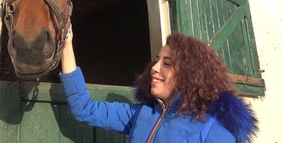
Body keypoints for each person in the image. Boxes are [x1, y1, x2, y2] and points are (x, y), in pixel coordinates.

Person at [60, 28, 258, 143]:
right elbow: (84, 109)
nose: (154, 67)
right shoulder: (141, 114)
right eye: (156, 60)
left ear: (190, 74)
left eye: (167, 63)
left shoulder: (213, 132)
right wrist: (67, 44)